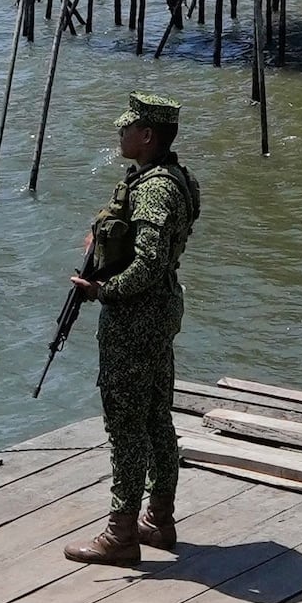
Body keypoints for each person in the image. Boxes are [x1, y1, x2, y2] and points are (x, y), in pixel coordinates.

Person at [60, 95, 202, 568]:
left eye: (128, 129)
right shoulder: (172, 178)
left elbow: (148, 264)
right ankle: (159, 517)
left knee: (126, 425)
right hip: (159, 312)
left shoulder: (155, 189)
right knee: (156, 415)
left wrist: (102, 290)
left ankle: (122, 533)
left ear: (147, 136)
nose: (119, 135)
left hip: (137, 318)